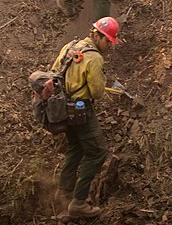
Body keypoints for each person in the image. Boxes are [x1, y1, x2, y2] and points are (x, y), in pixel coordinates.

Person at [52, 17, 119, 219]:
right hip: (81, 111)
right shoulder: (95, 58)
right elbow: (97, 92)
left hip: (63, 108)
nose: (108, 45)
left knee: (76, 147)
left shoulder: (70, 46)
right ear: (96, 35)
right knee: (98, 153)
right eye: (107, 41)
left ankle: (63, 191)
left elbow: (54, 71)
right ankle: (78, 203)